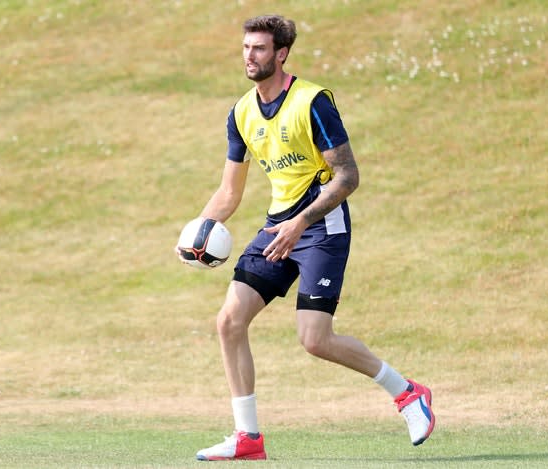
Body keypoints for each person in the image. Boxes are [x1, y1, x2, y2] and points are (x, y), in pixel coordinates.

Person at [178, 14, 435, 461]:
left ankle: (409, 393)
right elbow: (229, 192)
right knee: (229, 321)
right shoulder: (240, 113)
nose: (250, 56)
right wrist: (196, 231)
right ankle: (247, 438)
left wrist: (302, 222)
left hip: (322, 226)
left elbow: (348, 176)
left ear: (281, 54)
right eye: (245, 48)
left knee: (314, 339)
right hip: (278, 227)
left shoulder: (312, 101)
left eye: (259, 49)